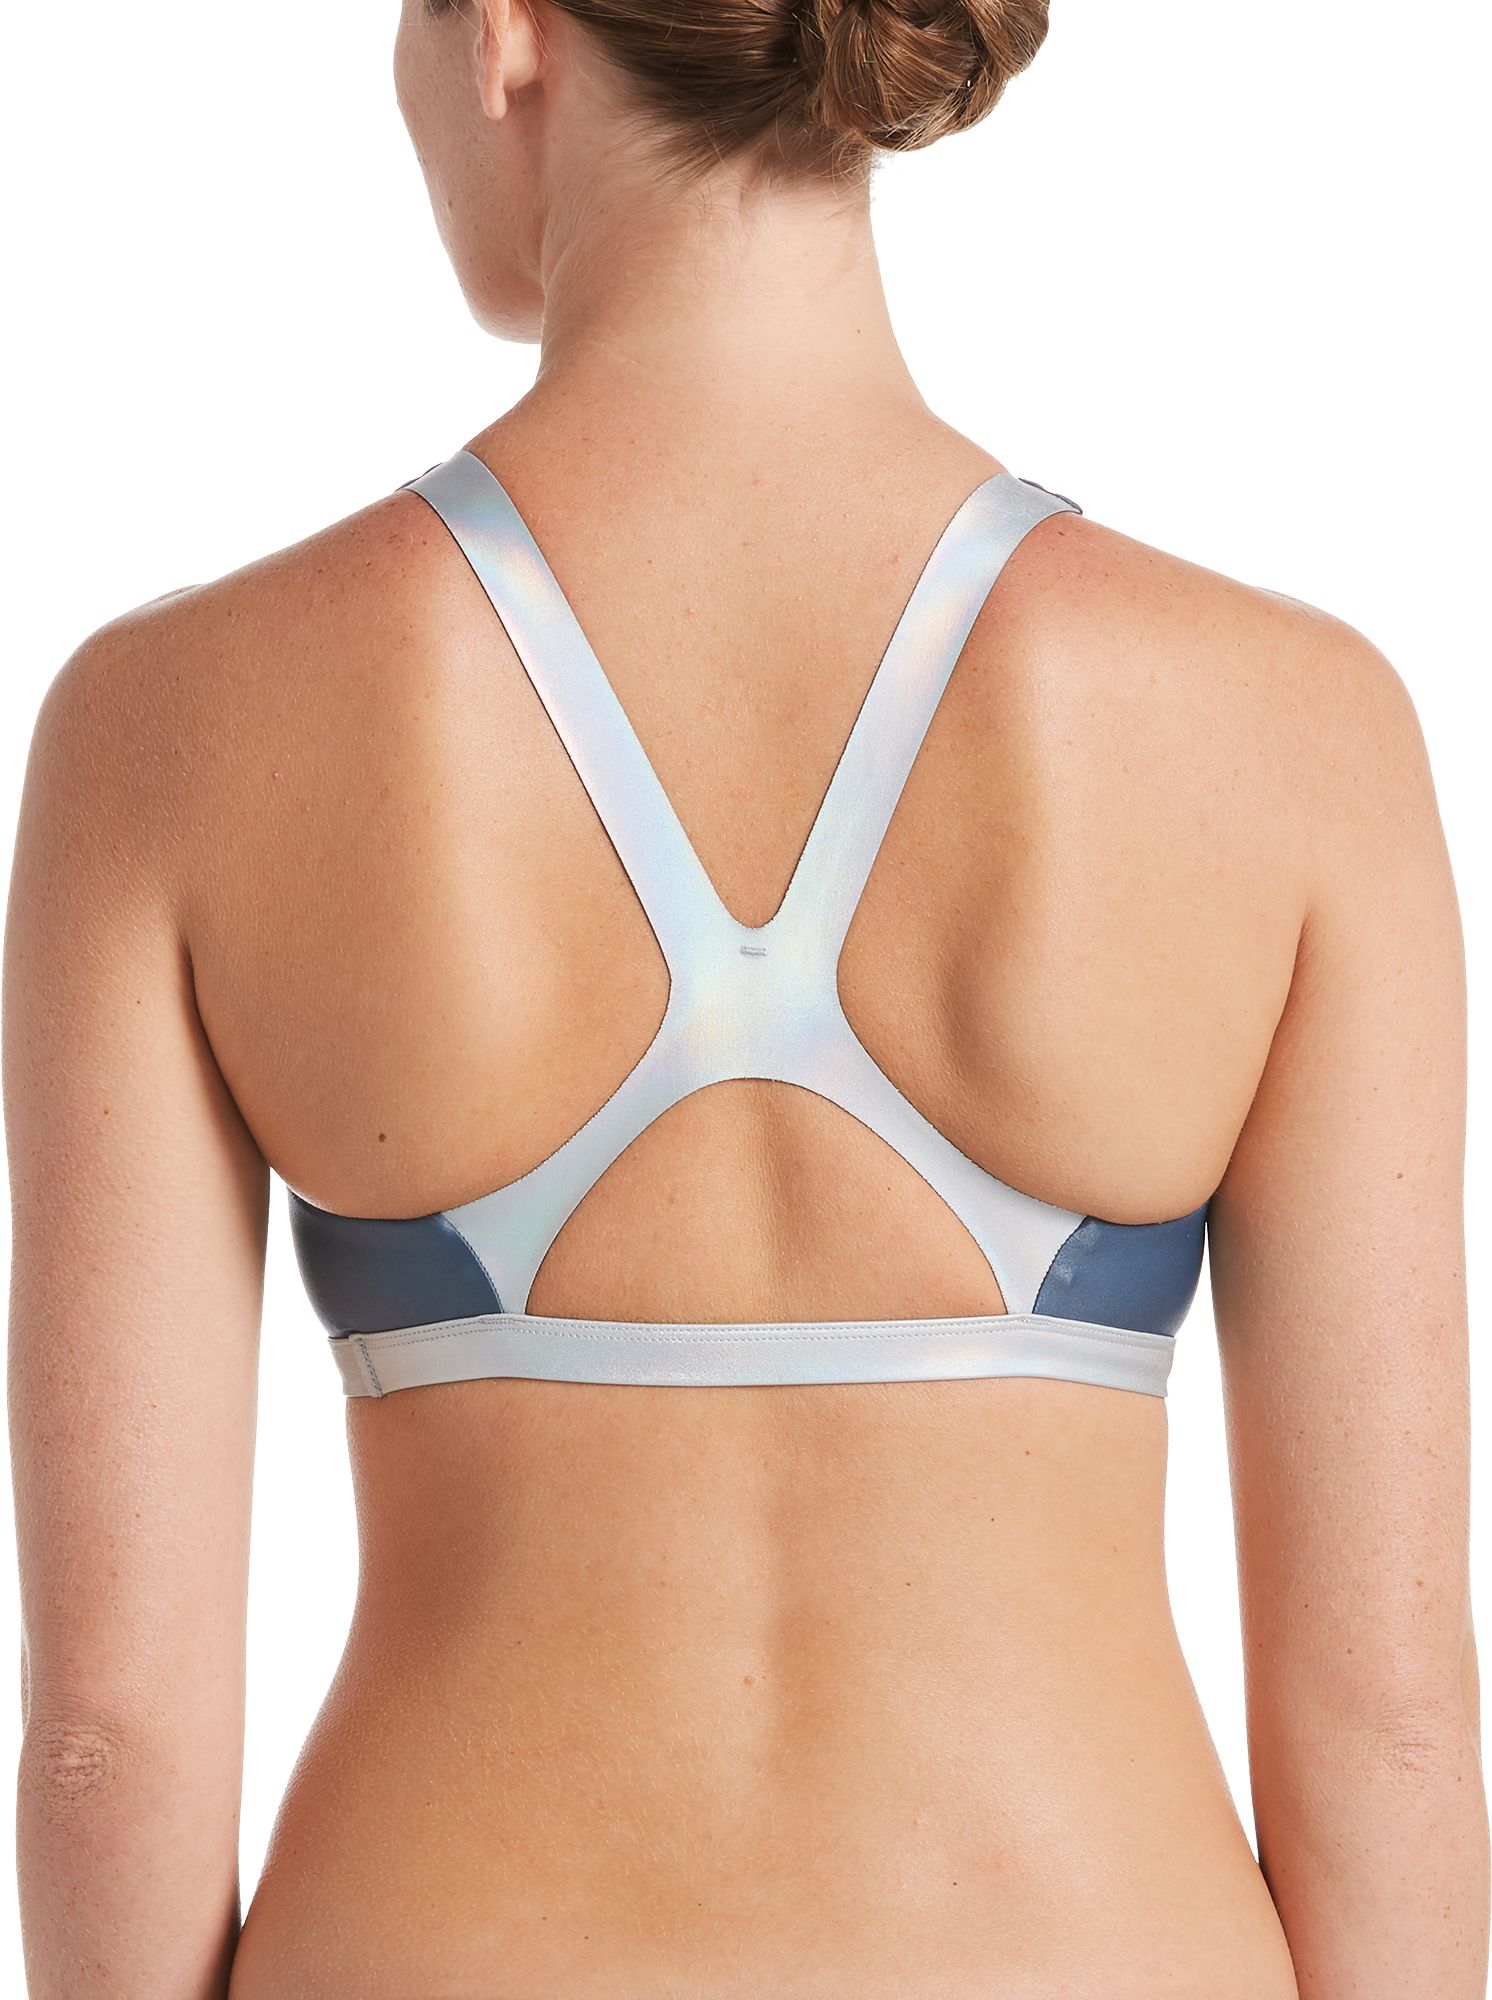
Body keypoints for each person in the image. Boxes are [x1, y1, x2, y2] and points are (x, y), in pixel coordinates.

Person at [6, 0, 1486, 1993]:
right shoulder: (1292, 730)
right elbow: (1392, 1729)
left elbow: (107, 1740)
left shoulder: (174, 728)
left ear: (507, 33)